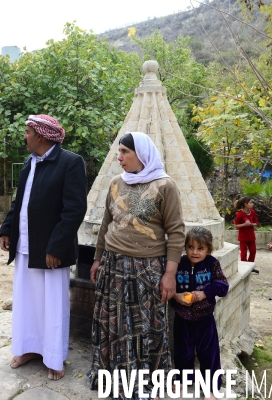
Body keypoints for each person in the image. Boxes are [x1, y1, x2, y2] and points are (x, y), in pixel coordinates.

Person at [88, 132, 185, 396]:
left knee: (144, 326)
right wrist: (98, 259)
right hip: (113, 266)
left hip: (146, 270)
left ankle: (142, 380)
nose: (119, 158)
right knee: (113, 324)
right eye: (118, 152)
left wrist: (170, 275)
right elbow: (106, 224)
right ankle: (111, 376)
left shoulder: (165, 186)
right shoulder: (116, 183)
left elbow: (176, 232)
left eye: (124, 152)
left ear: (141, 154)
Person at [0, 114, 87, 381]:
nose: (24, 136)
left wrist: (56, 247)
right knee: (27, 301)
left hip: (51, 250)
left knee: (52, 303)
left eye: (27, 132)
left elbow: (74, 209)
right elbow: (20, 201)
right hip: (26, 245)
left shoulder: (70, 162)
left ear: (40, 135)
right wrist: (6, 228)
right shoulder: (29, 163)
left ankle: (53, 357)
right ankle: (28, 348)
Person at [171, 227, 229, 400]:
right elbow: (167, 283)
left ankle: (211, 388)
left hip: (205, 319)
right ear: (185, 247)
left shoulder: (212, 264)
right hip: (182, 317)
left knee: (209, 353)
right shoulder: (179, 264)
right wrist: (176, 296)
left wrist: (205, 293)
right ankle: (183, 379)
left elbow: (223, 286)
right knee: (183, 351)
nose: (194, 252)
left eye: (200, 248)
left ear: (208, 249)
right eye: (190, 247)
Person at [234, 196, 259, 272]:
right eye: (251, 202)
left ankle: (250, 266)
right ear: (245, 204)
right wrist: (244, 225)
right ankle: (244, 266)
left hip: (251, 236)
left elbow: (256, 223)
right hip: (243, 237)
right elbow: (236, 225)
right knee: (243, 252)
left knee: (253, 251)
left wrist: (250, 224)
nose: (252, 204)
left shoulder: (253, 212)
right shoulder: (240, 214)